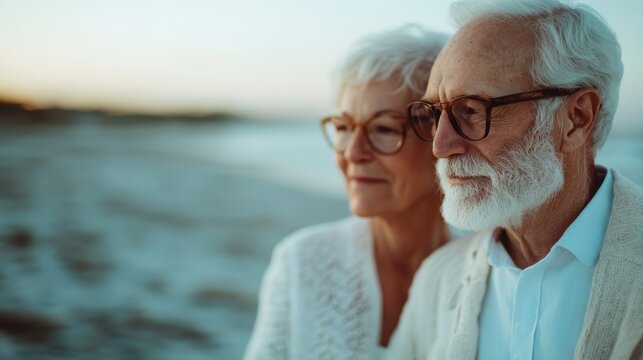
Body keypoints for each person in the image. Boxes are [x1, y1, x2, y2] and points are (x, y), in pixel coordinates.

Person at [388, 1, 642, 359]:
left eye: (472, 110)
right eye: (433, 114)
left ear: (576, 118)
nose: (440, 146)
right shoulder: (438, 277)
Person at [244, 25, 449, 359]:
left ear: (443, 139)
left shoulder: (487, 267)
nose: (353, 152)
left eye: (383, 128)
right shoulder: (303, 261)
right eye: (343, 127)